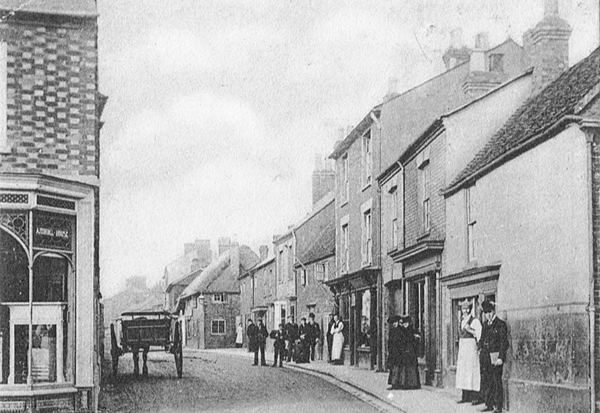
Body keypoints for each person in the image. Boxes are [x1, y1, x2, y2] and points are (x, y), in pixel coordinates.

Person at [479, 300, 509, 413]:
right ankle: (489, 404)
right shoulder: (485, 325)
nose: (488, 315)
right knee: (488, 381)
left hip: (496, 357)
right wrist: (479, 347)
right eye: (486, 313)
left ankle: (498, 407)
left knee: (497, 381)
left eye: (490, 312)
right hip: (486, 357)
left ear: (493, 311)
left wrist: (501, 357)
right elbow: (482, 339)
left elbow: (504, 343)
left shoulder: (500, 324)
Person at [455, 299, 482, 404]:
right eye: (463, 309)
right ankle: (465, 396)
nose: (464, 311)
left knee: (472, 371)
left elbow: (479, 334)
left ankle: (475, 397)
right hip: (463, 348)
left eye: (466, 309)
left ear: (470, 309)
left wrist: (469, 329)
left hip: (471, 348)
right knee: (463, 371)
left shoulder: (475, 321)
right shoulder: (461, 320)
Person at [398, 316, 421, 389]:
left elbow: (414, 340)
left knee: (411, 368)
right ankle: (405, 384)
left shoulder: (411, 330)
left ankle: (413, 384)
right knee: (405, 368)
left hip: (411, 352)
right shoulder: (402, 331)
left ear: (409, 323)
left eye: (406, 323)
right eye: (404, 323)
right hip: (404, 351)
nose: (405, 325)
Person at [387, 316, 403, 390]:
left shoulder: (400, 331)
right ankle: (393, 383)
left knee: (397, 368)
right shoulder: (392, 331)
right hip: (393, 352)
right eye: (393, 323)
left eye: (395, 322)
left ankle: (396, 384)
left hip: (399, 352)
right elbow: (389, 342)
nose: (394, 324)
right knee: (392, 368)